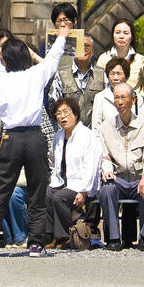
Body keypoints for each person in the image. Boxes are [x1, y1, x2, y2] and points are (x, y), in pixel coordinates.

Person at [0, 30, 66, 257]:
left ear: (6, 59)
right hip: (34, 136)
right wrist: (62, 36)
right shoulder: (35, 74)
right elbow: (53, 58)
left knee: (0, 191)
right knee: (37, 190)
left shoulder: (0, 81)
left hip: (10, 137)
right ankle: (36, 243)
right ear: (26, 56)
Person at [98, 84, 144, 250]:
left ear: (133, 100)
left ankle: (143, 237)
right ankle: (114, 239)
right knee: (107, 189)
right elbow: (105, 155)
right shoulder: (106, 126)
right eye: (116, 97)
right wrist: (107, 171)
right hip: (118, 178)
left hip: (138, 177)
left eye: (123, 97)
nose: (120, 101)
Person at [45, 94, 102, 250]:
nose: (62, 117)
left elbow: (91, 166)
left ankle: (63, 236)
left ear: (75, 114)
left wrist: (83, 191)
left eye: (66, 112)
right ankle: (50, 236)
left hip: (80, 184)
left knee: (59, 197)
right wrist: (52, 179)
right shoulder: (58, 136)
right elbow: (53, 162)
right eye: (58, 114)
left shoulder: (87, 136)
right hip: (62, 181)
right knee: (47, 194)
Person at [47, 32, 100, 125]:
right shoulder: (61, 74)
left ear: (93, 51)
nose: (83, 50)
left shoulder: (102, 74)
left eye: (87, 46)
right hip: (68, 134)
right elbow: (53, 105)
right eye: (79, 46)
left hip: (95, 135)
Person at [90, 57, 144, 133]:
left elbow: (141, 124)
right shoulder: (100, 97)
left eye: (119, 74)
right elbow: (96, 127)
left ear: (126, 76)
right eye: (112, 74)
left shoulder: (137, 97)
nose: (115, 78)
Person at [97, 19, 144, 92]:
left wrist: (139, 99)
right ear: (113, 35)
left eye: (126, 33)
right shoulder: (103, 58)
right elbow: (98, 84)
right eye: (118, 32)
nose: (121, 36)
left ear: (132, 37)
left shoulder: (140, 59)